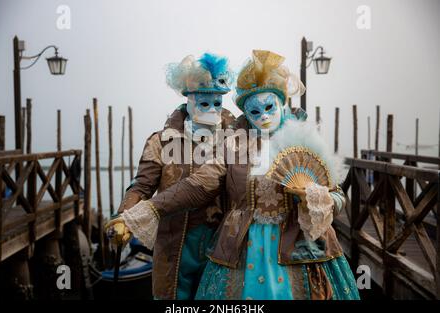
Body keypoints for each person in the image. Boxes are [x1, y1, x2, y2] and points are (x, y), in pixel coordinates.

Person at [113, 50, 360, 300]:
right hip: (228, 248)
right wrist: (139, 213)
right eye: (254, 111)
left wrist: (313, 197)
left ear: (282, 102)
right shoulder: (232, 143)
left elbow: (337, 196)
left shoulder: (305, 142)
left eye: (269, 107)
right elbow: (197, 184)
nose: (263, 116)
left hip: (297, 249)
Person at [106, 52, 236, 300]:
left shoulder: (235, 141)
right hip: (174, 245)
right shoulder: (160, 142)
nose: (211, 110)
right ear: (188, 101)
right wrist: (124, 217)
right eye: (203, 103)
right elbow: (142, 186)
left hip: (222, 243)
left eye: (217, 103)